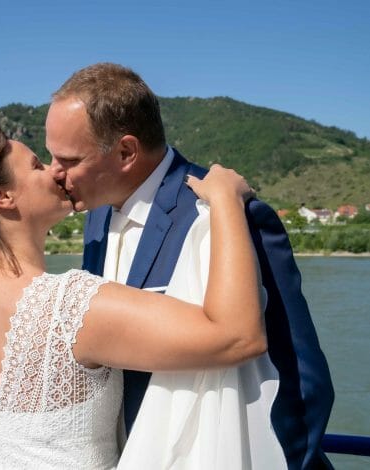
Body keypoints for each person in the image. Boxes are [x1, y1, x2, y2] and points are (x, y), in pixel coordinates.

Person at [0, 121, 265, 469]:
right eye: (36, 166)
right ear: (1, 195)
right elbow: (237, 336)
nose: (54, 171)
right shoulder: (71, 305)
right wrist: (226, 201)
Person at [45, 63, 334, 469]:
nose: (55, 174)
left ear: (126, 152)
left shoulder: (226, 215)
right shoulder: (95, 216)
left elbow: (302, 376)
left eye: (68, 160)